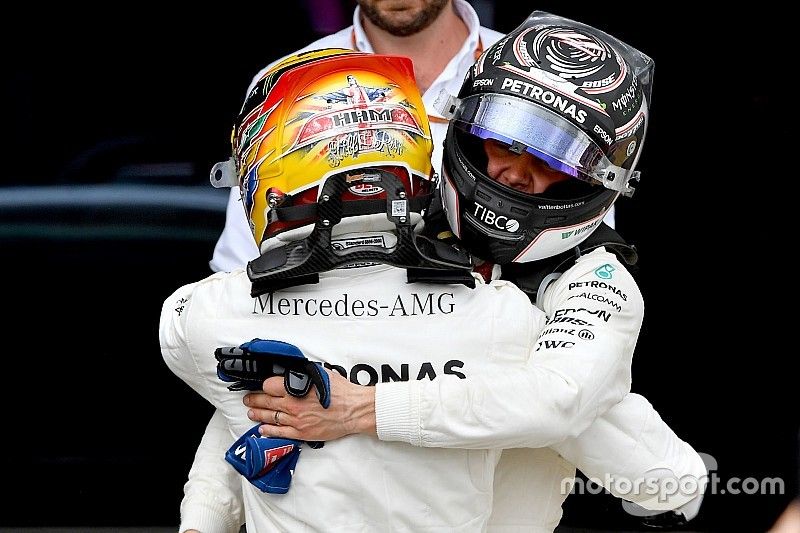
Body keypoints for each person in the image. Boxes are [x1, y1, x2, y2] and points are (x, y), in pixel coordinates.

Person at [172, 12, 706, 533]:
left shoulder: (597, 282)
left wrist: (362, 407)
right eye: (507, 139)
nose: (516, 173)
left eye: (557, 162)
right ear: (464, 127)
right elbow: (268, 379)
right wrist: (204, 517)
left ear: (596, 181)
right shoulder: (394, 219)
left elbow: (565, 407)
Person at [162, 48, 562, 532]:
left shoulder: (205, 315)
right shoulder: (505, 315)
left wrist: (200, 521)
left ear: (268, 174)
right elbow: (575, 408)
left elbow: (231, 397)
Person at [208, 0, 616, 274]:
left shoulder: (549, 79)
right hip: (339, 351)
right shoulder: (289, 82)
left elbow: (586, 251)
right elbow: (242, 267)